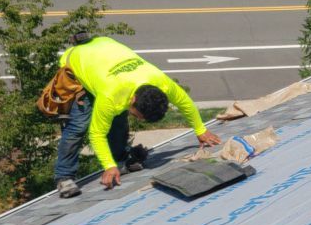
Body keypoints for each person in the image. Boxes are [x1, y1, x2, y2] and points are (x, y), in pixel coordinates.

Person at [53, 36, 221, 198]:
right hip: (77, 61)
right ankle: (64, 177)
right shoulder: (111, 95)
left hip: (105, 50)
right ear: (133, 99)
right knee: (79, 125)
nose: (139, 120)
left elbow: (184, 101)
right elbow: (96, 134)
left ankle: (120, 158)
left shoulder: (160, 82)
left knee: (118, 120)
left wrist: (200, 130)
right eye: (138, 116)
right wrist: (108, 166)